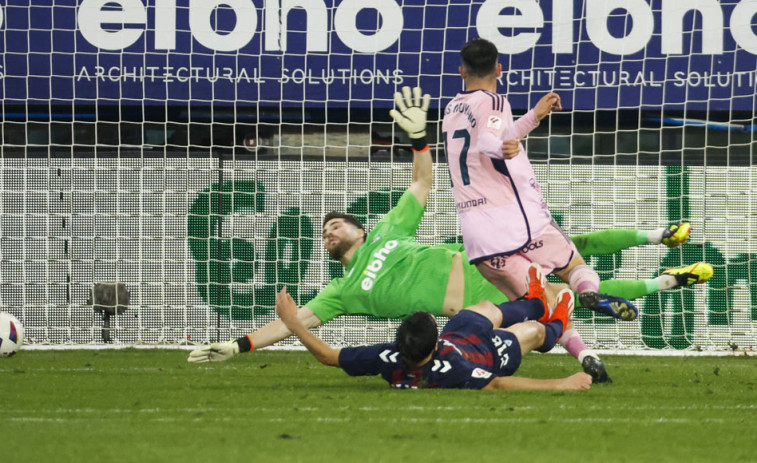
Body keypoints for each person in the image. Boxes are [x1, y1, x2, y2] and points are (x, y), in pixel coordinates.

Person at [188, 86, 713, 383]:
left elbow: (423, 179)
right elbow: (294, 321)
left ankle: (652, 250)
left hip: (485, 262)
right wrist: (238, 345)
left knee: (570, 251)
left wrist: (419, 139)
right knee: (562, 303)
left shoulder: (391, 227)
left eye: (337, 222)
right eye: (325, 232)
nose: (330, 230)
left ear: (360, 227)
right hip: (473, 310)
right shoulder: (340, 291)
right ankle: (660, 285)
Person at [273, 264, 592, 391]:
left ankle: (536, 299)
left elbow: (329, 356)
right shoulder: (451, 370)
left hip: (460, 336)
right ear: (434, 343)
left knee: (481, 309)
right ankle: (557, 322)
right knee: (533, 332)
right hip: (484, 354)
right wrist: (562, 384)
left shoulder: (388, 357)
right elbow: (496, 385)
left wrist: (293, 324)